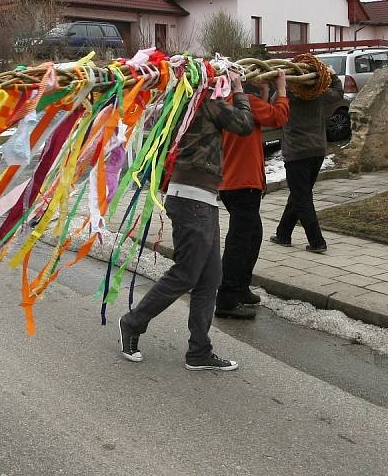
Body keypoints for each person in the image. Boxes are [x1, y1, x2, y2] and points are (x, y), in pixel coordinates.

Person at [119, 69, 253, 371]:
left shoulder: (179, 105)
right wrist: (239, 88)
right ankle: (132, 322)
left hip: (200, 197)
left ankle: (199, 351)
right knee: (186, 274)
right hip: (193, 199)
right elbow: (244, 124)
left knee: (209, 278)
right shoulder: (206, 100)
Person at [215, 70, 289, 320]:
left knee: (252, 236)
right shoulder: (244, 102)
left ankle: (241, 288)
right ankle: (226, 299)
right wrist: (281, 88)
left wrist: (266, 94)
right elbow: (278, 117)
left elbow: (258, 117)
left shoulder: (225, 105)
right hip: (243, 184)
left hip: (232, 184)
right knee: (239, 243)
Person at [270, 70, 343, 253]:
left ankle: (317, 242)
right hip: (317, 150)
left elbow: (273, 104)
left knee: (302, 197)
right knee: (299, 193)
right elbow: (338, 92)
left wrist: (280, 84)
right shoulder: (318, 93)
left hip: (297, 153)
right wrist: (332, 76)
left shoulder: (288, 95)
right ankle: (283, 233)